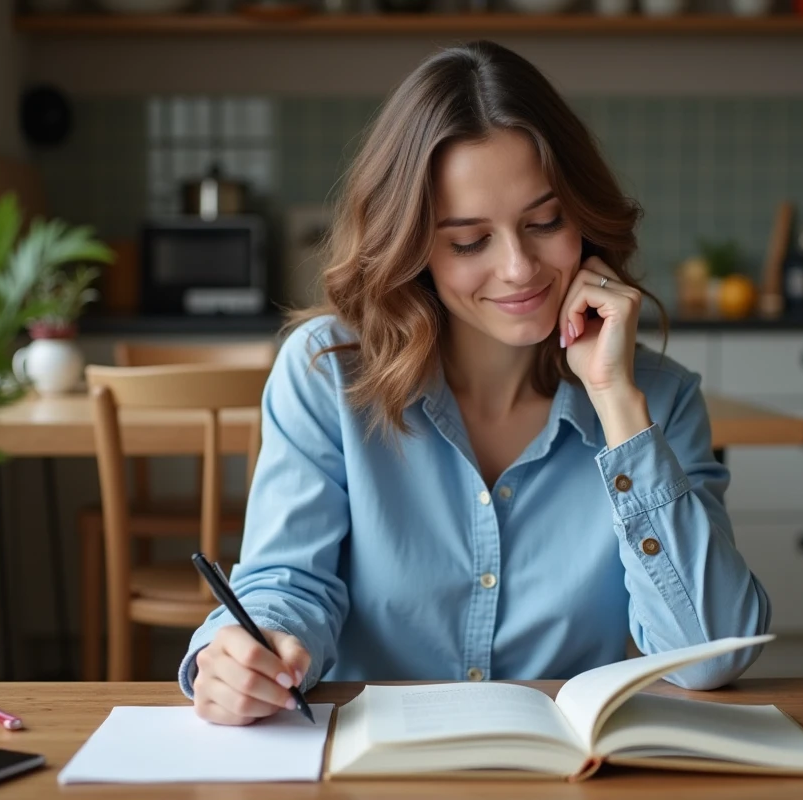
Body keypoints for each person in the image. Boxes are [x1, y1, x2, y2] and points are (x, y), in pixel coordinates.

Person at [181, 40, 770, 725]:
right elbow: (287, 582)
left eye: (545, 223)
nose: (519, 268)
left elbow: (710, 656)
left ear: (583, 213)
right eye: (468, 241)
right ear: (414, 245)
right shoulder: (327, 372)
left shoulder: (655, 400)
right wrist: (247, 654)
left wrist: (615, 401)